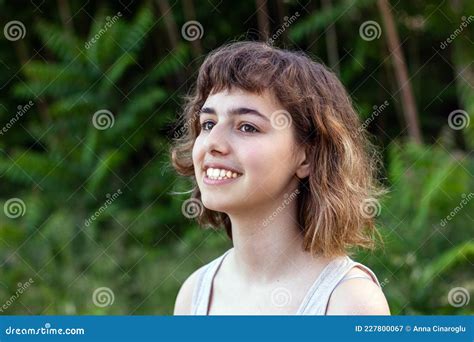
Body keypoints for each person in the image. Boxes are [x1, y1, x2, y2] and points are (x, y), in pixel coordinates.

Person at [171, 41, 390, 315]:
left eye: (247, 127)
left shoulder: (348, 302)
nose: (212, 143)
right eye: (208, 124)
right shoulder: (195, 296)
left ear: (307, 157)